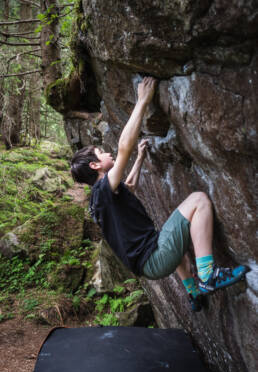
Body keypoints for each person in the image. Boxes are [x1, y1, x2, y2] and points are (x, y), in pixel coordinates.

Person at [71, 77, 247, 312]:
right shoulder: (103, 190)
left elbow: (129, 186)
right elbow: (124, 147)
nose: (107, 153)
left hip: (151, 264)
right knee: (198, 200)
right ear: (95, 166)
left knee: (180, 245)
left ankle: (194, 294)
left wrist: (141, 158)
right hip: (154, 258)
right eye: (100, 152)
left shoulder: (100, 199)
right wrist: (142, 101)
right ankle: (207, 276)